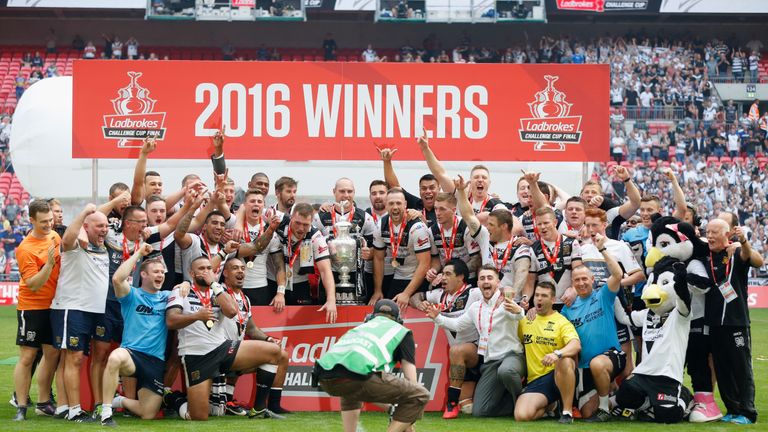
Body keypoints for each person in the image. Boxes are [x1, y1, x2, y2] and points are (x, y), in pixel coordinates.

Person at [164, 256, 286, 420]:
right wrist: (196, 316)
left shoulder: (218, 292)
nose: (206, 272)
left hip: (222, 349)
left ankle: (258, 409)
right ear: (191, 273)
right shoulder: (181, 291)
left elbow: (231, 311)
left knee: (274, 352)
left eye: (209, 268)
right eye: (201, 269)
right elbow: (171, 321)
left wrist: (214, 284)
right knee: (197, 416)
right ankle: (173, 398)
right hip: (196, 354)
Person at [425, 264, 525, 418]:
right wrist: (437, 317)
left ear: (498, 283)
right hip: (491, 362)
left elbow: (518, 316)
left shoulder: (506, 302)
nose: (486, 281)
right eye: (482, 278)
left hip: (511, 357)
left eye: (490, 278)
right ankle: (515, 403)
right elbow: (457, 325)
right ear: (478, 283)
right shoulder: (475, 307)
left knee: (506, 371)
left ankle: (522, 399)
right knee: (480, 412)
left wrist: (519, 311)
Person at [315, 299, 430, 432]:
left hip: (322, 375)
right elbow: (412, 383)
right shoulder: (401, 331)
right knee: (419, 394)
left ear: (370, 316)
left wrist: (393, 409)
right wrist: (408, 417)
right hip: (356, 376)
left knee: (350, 387)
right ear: (398, 319)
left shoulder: (358, 328)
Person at [100, 244, 178, 426]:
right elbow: (118, 279)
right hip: (132, 355)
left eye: (162, 272)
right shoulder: (132, 295)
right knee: (115, 358)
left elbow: (188, 290)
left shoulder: (168, 296)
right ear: (143, 274)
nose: (161, 275)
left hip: (155, 362)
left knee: (148, 413)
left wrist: (185, 283)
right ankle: (105, 412)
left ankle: (118, 401)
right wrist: (139, 253)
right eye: (156, 272)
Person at [49, 204, 109, 422]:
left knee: (68, 359)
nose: (104, 229)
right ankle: (75, 410)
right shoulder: (76, 244)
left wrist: (97, 214)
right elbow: (66, 240)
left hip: (90, 310)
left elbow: (102, 214)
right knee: (73, 359)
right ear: (86, 226)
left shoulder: (101, 245)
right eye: (99, 226)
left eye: (106, 226)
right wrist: (84, 212)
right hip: (72, 308)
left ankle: (63, 407)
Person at [561, 233, 626, 422]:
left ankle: (605, 409)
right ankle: (615, 399)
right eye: (576, 280)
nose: (581, 283)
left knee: (598, 363)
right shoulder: (568, 308)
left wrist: (602, 249)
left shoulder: (603, 295)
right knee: (588, 412)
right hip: (585, 366)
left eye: (584, 279)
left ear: (592, 280)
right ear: (572, 283)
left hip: (611, 356)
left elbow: (618, 274)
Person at [703, 219, 762, 424]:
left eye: (714, 232)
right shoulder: (706, 255)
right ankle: (732, 409)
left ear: (727, 235)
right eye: (707, 231)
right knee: (722, 368)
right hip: (715, 323)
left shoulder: (737, 252)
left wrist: (743, 241)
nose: (709, 236)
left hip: (736, 322)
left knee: (741, 368)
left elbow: (757, 260)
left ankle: (748, 412)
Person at [219, 258, 291, 418]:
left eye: (243, 268)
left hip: (237, 354)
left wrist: (268, 339)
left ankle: (272, 406)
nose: (240, 272)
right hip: (221, 353)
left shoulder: (245, 299)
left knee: (281, 354)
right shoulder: (219, 294)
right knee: (273, 353)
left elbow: (251, 329)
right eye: (235, 268)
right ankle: (252, 407)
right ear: (225, 273)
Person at [13, 200, 61, 420]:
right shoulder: (25, 249)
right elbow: (33, 284)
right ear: (31, 220)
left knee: (51, 353)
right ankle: (21, 406)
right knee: (28, 356)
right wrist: (49, 265)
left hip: (54, 306)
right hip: (32, 307)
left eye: (50, 220)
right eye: (43, 222)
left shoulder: (55, 237)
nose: (49, 225)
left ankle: (43, 402)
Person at [515, 281, 581, 423]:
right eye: (537, 295)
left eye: (544, 296)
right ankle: (551, 406)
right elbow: (518, 341)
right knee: (522, 416)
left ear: (553, 300)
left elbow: (575, 345)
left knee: (565, 360)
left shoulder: (561, 321)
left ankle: (567, 412)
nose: (539, 298)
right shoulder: (526, 320)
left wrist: (557, 353)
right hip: (536, 380)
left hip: (559, 375)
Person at [273, 203, 337, 322]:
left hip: (300, 284)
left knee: (300, 323)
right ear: (291, 217)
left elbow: (325, 270)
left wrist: (331, 300)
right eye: (297, 223)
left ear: (311, 222)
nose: (301, 228)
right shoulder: (280, 219)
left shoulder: (316, 237)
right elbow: (247, 207)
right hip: (274, 282)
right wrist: (240, 225)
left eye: (305, 225)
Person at [371, 188, 432, 308]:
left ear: (405, 205)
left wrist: (406, 294)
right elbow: (378, 259)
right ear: (386, 205)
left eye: (398, 203)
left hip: (418, 278)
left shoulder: (416, 227)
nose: (395, 207)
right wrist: (377, 290)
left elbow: (424, 263)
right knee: (387, 310)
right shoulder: (380, 225)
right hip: (398, 276)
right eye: (391, 203)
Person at [526, 207, 583, 305]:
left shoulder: (571, 243)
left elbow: (578, 272)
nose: (542, 227)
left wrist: (574, 290)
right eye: (539, 224)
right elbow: (530, 282)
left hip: (568, 301)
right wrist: (525, 298)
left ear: (555, 222)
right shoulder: (533, 249)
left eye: (546, 223)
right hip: (546, 304)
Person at [427, 192, 482, 285]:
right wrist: (433, 271)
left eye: (442, 209)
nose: (437, 213)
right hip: (445, 277)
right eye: (436, 209)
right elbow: (435, 259)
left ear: (454, 210)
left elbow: (476, 260)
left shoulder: (466, 227)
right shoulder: (432, 231)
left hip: (466, 277)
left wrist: (454, 274)